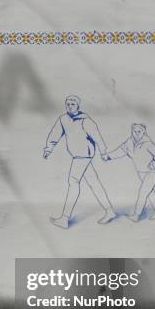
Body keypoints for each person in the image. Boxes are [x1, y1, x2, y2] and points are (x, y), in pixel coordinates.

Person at [43, 95, 116, 229]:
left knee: (73, 182)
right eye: (68, 104)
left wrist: (104, 152)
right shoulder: (63, 119)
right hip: (77, 156)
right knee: (94, 182)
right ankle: (110, 211)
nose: (70, 106)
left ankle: (64, 219)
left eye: (73, 104)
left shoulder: (85, 120)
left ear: (78, 106)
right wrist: (48, 149)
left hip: (84, 155)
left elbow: (97, 136)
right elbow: (55, 134)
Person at [103, 123, 155, 221]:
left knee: (143, 193)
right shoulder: (129, 142)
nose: (136, 134)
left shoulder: (148, 143)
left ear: (143, 132)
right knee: (149, 193)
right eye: (134, 131)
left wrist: (153, 164)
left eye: (139, 131)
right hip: (141, 172)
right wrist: (108, 156)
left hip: (151, 173)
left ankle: (136, 215)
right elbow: (120, 151)